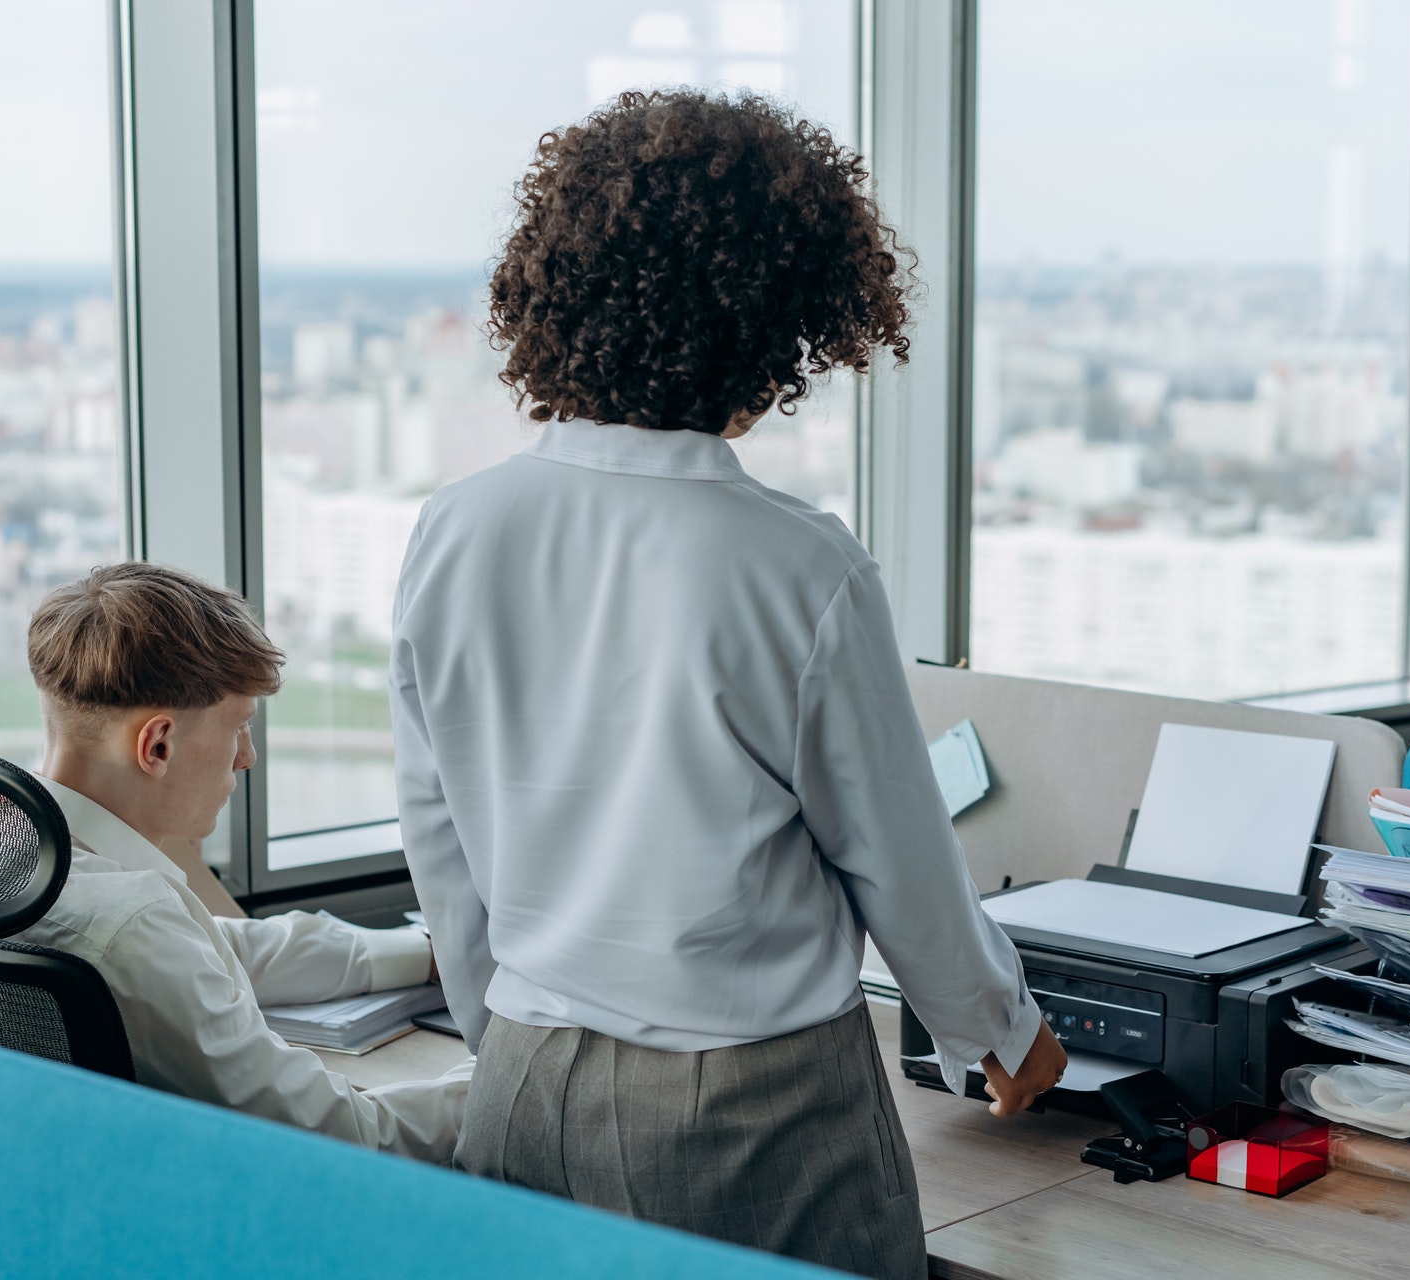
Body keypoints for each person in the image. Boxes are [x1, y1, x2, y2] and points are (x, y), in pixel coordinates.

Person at [390, 90, 1066, 1277]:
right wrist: (999, 1030)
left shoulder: (455, 529)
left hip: (519, 1082)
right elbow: (898, 855)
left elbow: (437, 831)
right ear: (768, 331)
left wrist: (507, 1028)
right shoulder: (797, 564)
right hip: (751, 1113)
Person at [17, 561, 470, 1161]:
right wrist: (505, 1086)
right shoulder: (130, 924)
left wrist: (426, 955)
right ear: (157, 745)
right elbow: (345, 1139)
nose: (247, 758)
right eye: (239, 729)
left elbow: (223, 950)